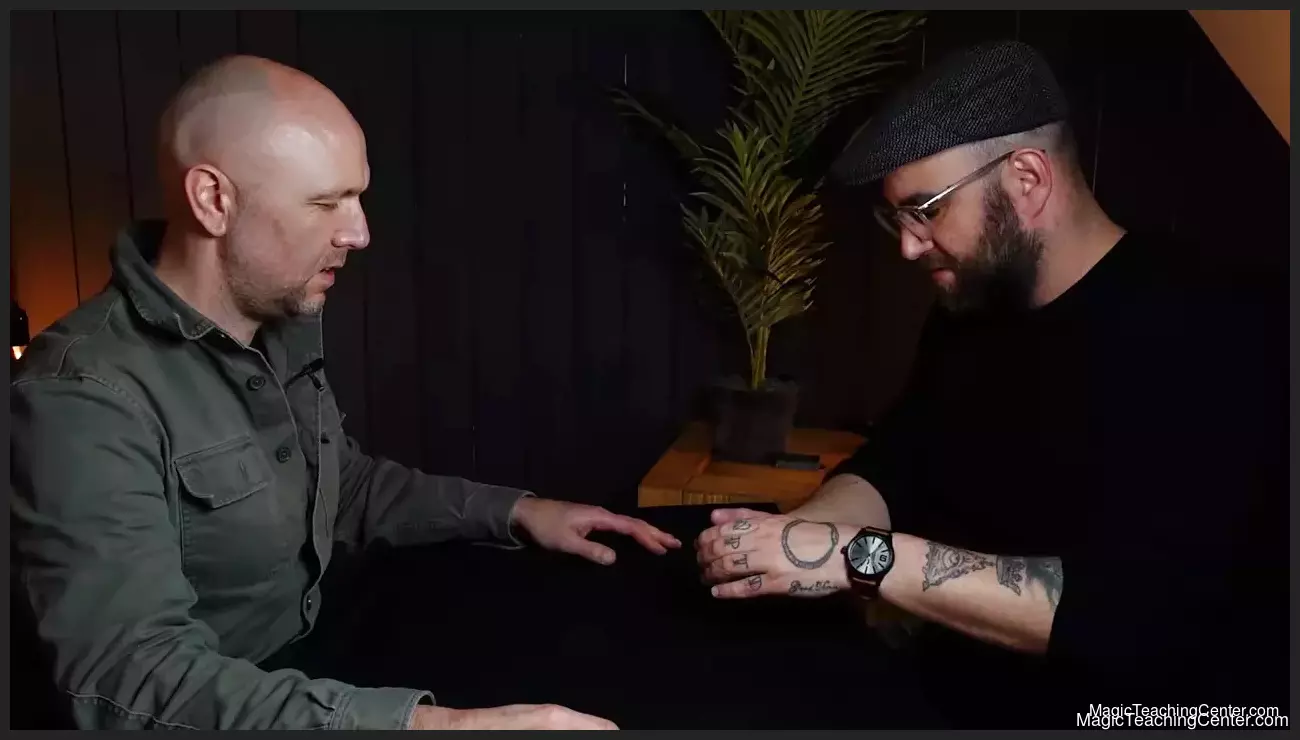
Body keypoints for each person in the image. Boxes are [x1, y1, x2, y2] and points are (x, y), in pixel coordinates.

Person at [9, 55, 682, 731]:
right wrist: (436, 728)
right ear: (213, 200)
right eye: (325, 203)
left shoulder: (276, 320)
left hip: (324, 655)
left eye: (357, 198)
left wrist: (519, 513)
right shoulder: (81, 396)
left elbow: (339, 487)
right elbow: (128, 682)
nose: (358, 233)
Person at [693, 40, 1287, 727]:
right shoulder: (972, 311)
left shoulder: (1215, 330)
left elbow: (1127, 614)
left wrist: (857, 558)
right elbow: (897, 465)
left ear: (1028, 178)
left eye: (927, 209)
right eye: (896, 218)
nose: (908, 245)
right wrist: (797, 538)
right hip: (950, 686)